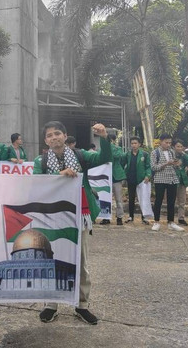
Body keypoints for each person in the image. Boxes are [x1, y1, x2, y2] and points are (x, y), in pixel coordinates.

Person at [34, 121, 111, 325]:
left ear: (65, 135)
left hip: (79, 215)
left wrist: (103, 137)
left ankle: (81, 305)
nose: (54, 137)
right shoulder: (40, 161)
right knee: (51, 261)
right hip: (51, 219)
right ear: (45, 140)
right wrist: (60, 176)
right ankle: (51, 305)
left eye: (57, 133)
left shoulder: (81, 156)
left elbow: (105, 158)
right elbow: (36, 184)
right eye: (49, 135)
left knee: (81, 262)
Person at [150, 134, 185, 232]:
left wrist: (177, 164)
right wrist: (166, 163)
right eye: (166, 142)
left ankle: (171, 222)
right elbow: (154, 167)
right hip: (160, 179)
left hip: (172, 178)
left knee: (171, 201)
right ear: (161, 141)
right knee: (158, 201)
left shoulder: (172, 152)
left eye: (170, 142)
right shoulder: (155, 152)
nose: (168, 144)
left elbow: (175, 166)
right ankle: (156, 222)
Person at [121, 136, 151, 225]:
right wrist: (123, 174)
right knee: (131, 198)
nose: (133, 145)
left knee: (143, 198)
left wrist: (148, 175)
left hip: (142, 180)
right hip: (131, 179)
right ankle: (131, 216)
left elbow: (148, 167)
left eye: (135, 143)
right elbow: (122, 164)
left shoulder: (144, 154)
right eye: (132, 143)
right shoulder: (127, 154)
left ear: (139, 144)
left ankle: (144, 217)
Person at [103, 133, 126, 226]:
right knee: (105, 198)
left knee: (118, 199)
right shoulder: (103, 149)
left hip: (116, 176)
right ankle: (106, 217)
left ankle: (119, 217)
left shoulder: (118, 149)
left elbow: (119, 156)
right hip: (105, 176)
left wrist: (110, 147)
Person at [173, 139, 188, 226]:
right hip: (171, 180)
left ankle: (181, 218)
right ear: (173, 147)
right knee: (171, 200)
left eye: (181, 146)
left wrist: (184, 154)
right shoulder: (171, 155)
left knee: (182, 201)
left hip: (181, 181)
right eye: (178, 146)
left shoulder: (184, 156)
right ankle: (170, 218)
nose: (179, 148)